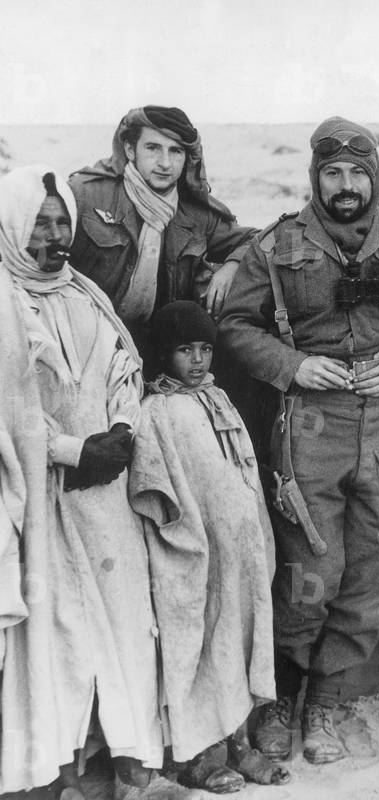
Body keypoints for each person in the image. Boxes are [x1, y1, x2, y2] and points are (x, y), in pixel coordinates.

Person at [219, 117, 379, 764]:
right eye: (333, 173)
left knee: (370, 576)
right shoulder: (278, 245)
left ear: (374, 177)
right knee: (309, 575)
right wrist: (291, 366)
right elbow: (236, 324)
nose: (347, 185)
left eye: (358, 173)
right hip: (312, 426)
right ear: (315, 177)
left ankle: (326, 704)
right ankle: (282, 697)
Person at [0, 165, 189, 799]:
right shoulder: (4, 300)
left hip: (104, 488)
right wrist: (69, 449)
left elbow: (120, 367)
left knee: (128, 623)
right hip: (43, 495)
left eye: (61, 224)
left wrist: (119, 432)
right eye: (39, 224)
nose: (51, 238)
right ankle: (52, 770)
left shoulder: (83, 294)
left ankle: (135, 760)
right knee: (55, 632)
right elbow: (11, 412)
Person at [128, 301, 289, 791]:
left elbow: (241, 472)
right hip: (196, 557)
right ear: (163, 354)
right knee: (199, 649)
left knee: (239, 643)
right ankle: (201, 755)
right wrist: (188, 543)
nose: (197, 360)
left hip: (241, 554)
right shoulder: (157, 411)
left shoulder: (217, 398)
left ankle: (241, 744)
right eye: (184, 350)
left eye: (204, 349)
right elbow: (155, 492)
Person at [67, 106, 256, 372]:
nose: (165, 163)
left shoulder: (196, 213)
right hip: (88, 343)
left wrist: (231, 265)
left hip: (157, 349)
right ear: (130, 150)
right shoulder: (85, 195)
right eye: (153, 148)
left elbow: (259, 240)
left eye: (175, 151)